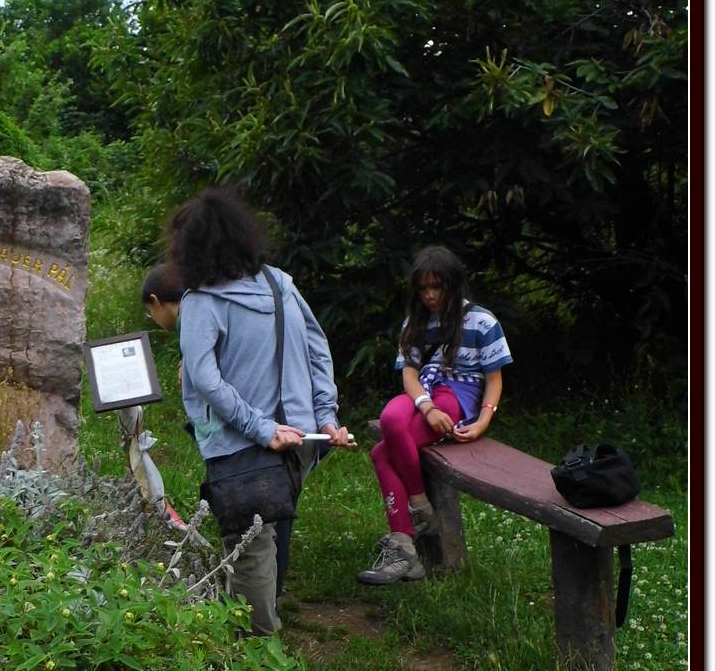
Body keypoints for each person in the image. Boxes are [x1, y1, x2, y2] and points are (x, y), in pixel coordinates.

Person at [168, 187, 351, 635]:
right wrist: (325, 416)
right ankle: (272, 608)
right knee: (271, 522)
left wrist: (261, 428)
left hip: (243, 443)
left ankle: (258, 650)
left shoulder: (201, 303)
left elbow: (206, 379)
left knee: (250, 544)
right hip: (303, 439)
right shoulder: (279, 283)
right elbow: (318, 350)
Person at [358, 245, 513, 585]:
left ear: (453, 284)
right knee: (390, 420)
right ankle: (419, 505)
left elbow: (493, 379)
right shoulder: (414, 323)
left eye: (436, 287)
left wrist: (483, 420)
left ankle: (403, 547)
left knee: (381, 453)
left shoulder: (482, 321)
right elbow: (409, 374)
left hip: (461, 394)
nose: (429, 295)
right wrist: (425, 406)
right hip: (425, 392)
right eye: (423, 288)